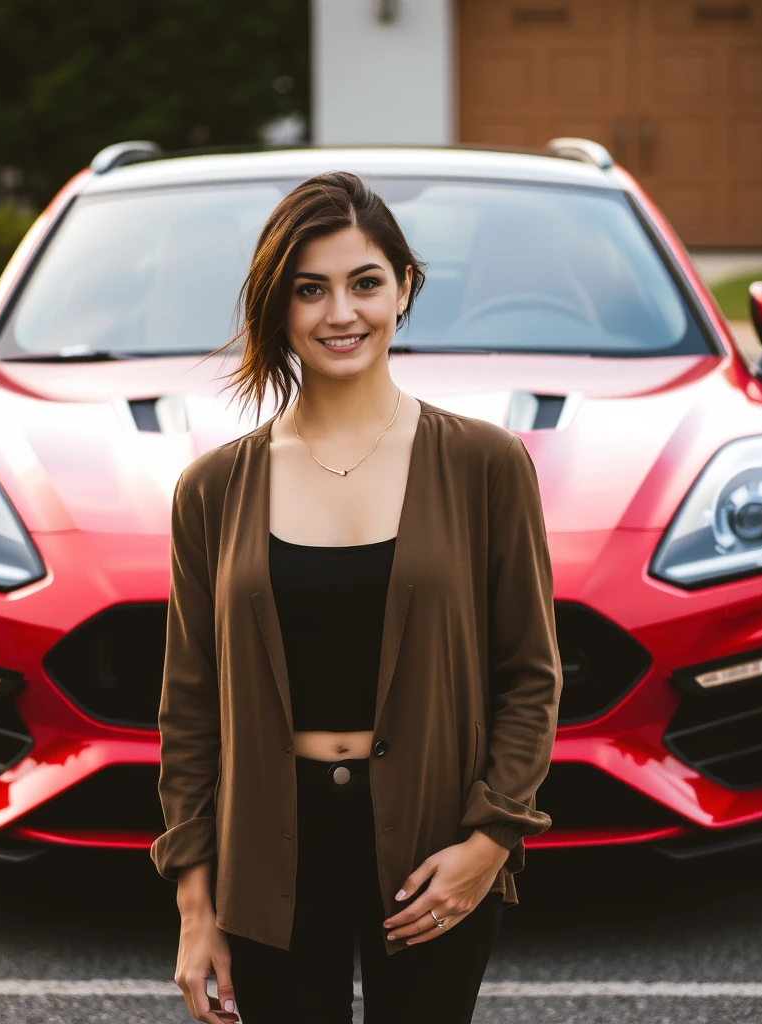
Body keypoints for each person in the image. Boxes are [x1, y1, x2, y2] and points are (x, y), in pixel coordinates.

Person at [151, 171, 563, 1024]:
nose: (341, 313)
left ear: (403, 287)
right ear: (279, 307)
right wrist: (196, 908)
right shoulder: (213, 488)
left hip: (432, 845)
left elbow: (529, 677)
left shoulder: (486, 464)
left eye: (365, 282)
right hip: (266, 855)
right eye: (311, 290)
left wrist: (489, 843)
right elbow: (189, 712)